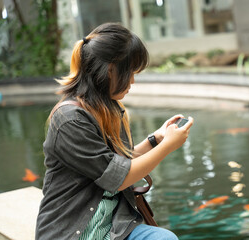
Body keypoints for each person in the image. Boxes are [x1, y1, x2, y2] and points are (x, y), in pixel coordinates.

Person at [36, 22, 193, 240]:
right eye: (130, 72)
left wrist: (155, 139)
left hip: (114, 228)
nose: (132, 81)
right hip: (71, 231)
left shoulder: (109, 108)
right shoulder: (69, 120)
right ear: (110, 70)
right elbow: (118, 179)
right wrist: (168, 146)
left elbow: (116, 164)